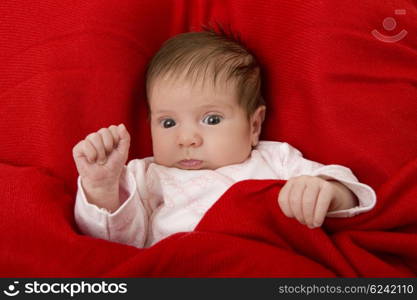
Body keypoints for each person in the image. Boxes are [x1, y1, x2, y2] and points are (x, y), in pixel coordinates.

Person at [72, 28, 376, 248]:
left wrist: (327, 190)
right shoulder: (145, 175)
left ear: (254, 125)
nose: (186, 138)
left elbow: (353, 194)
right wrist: (103, 189)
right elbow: (115, 245)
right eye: (167, 122)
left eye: (211, 119)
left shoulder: (275, 159)